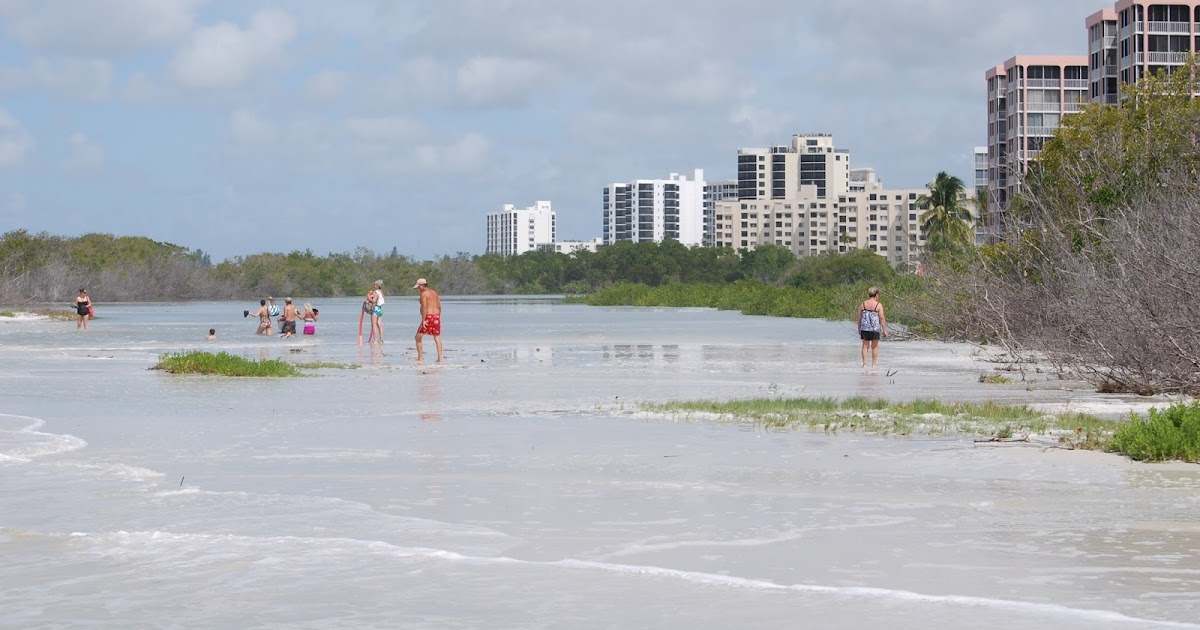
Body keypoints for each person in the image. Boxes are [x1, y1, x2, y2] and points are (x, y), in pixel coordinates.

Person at [856, 286, 889, 369]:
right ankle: (874, 365)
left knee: (865, 346)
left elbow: (859, 318)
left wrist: (859, 328)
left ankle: (864, 364)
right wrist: (884, 329)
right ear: (876, 295)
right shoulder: (878, 305)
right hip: (875, 328)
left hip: (865, 328)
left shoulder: (863, 304)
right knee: (875, 346)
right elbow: (882, 318)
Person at [414, 278, 443, 362]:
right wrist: (438, 316)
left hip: (428, 317)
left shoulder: (424, 294)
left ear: (422, 285)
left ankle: (420, 357)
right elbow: (439, 305)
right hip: (436, 316)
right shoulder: (434, 292)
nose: (418, 289)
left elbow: (424, 307)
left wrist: (423, 320)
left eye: (418, 287)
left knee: (418, 337)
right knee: (437, 337)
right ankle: (440, 358)